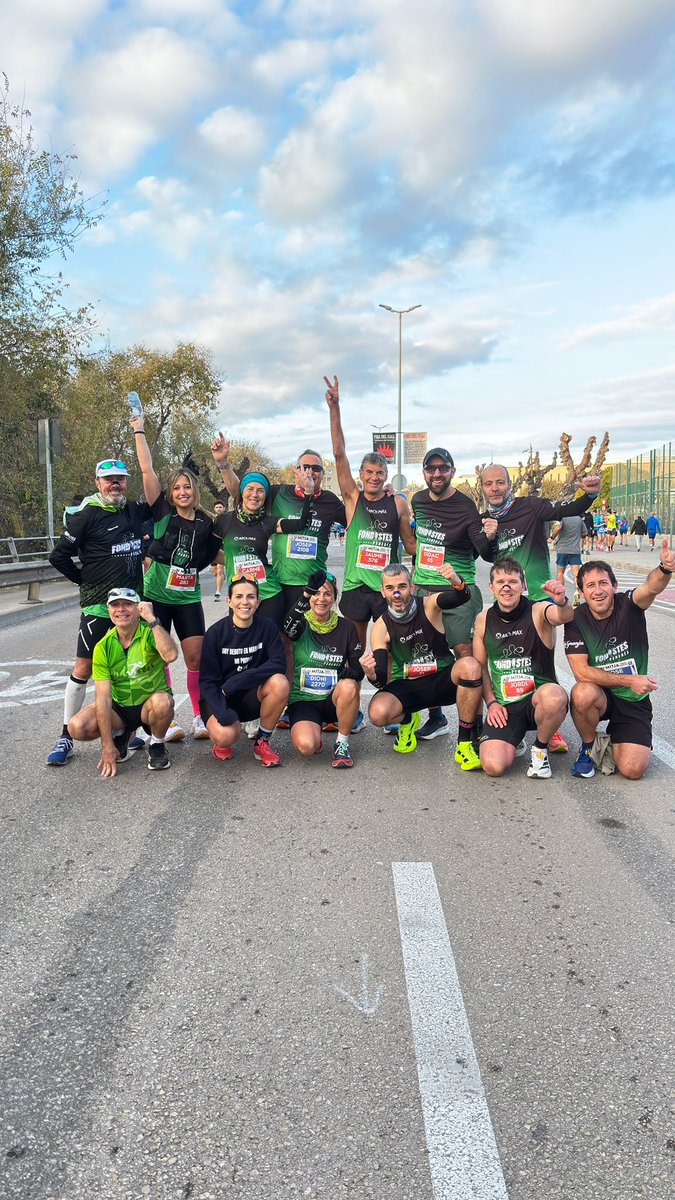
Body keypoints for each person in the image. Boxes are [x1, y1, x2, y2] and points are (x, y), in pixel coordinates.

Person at [480, 463, 601, 754]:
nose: (495, 488)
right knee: (510, 660)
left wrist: (590, 496)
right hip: (508, 599)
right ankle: (514, 721)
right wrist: (490, 537)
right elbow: (484, 555)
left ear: (509, 483)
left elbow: (567, 510)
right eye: (489, 484)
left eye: (500, 482)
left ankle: (552, 725)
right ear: (482, 488)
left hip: (538, 596)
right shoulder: (484, 518)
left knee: (543, 659)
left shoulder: (531, 506)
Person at [47, 457, 149, 765]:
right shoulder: (87, 515)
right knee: (84, 668)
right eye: (109, 480)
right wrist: (84, 580)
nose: (115, 484)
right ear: (98, 483)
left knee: (129, 668)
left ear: (127, 483)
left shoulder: (134, 510)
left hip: (132, 608)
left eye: (120, 479)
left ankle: (125, 731)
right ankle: (65, 735)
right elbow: (58, 556)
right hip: (98, 607)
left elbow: (159, 505)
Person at [131, 416, 224, 742]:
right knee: (158, 654)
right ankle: (166, 719)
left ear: (194, 491)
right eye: (177, 488)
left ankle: (199, 716)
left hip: (187, 599)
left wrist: (252, 563)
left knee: (196, 657)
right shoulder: (162, 513)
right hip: (156, 595)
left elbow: (220, 555)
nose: (182, 491)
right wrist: (139, 429)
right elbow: (147, 471)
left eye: (187, 487)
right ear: (169, 493)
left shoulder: (205, 522)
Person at [563, 540, 675, 779]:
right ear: (581, 592)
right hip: (601, 695)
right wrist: (629, 681)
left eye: (603, 583)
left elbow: (650, 587)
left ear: (615, 585)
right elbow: (581, 672)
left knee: (632, 770)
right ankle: (588, 747)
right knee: (582, 692)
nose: (598, 590)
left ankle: (617, 736)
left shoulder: (629, 605)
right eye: (590, 585)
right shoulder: (576, 619)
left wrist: (665, 568)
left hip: (633, 700)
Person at [325, 373, 416, 661]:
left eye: (380, 474)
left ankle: (395, 702)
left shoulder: (399, 503)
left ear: (386, 476)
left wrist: (445, 546)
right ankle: (353, 704)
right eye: (369, 473)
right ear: (361, 476)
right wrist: (335, 408)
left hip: (386, 588)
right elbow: (339, 454)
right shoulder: (353, 499)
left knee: (392, 649)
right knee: (354, 651)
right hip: (355, 587)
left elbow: (411, 546)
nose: (374, 478)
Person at [359, 563, 484, 770]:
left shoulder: (430, 605)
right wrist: (370, 673)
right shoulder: (380, 627)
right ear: (382, 591)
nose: (397, 593)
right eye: (390, 588)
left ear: (412, 586)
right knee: (378, 713)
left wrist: (455, 580)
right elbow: (381, 679)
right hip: (410, 687)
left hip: (443, 679)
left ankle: (464, 743)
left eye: (402, 586)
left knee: (470, 665)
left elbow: (462, 597)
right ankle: (408, 719)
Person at [410, 446, 497, 740]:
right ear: (424, 472)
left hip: (458, 589)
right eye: (431, 468)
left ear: (452, 471)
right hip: (423, 589)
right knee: (427, 654)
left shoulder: (465, 507)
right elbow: (420, 542)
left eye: (442, 468)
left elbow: (484, 552)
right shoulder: (418, 501)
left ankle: (477, 722)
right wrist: (413, 578)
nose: (436, 474)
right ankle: (436, 718)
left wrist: (491, 537)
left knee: (466, 654)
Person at [473, 557, 574, 779]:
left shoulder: (539, 610)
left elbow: (563, 616)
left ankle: (540, 748)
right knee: (493, 766)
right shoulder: (483, 619)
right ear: (491, 587)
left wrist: (563, 601)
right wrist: (491, 703)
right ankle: (514, 737)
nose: (506, 587)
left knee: (555, 696)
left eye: (513, 581)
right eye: (500, 582)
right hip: (506, 708)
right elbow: (480, 668)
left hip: (539, 700)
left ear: (524, 585)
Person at [67, 588, 178, 775]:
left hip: (148, 705)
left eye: (128, 604)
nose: (121, 610)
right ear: (109, 611)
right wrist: (107, 746)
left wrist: (152, 619)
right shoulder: (103, 646)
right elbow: (103, 699)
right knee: (77, 727)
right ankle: (122, 733)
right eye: (115, 605)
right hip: (120, 709)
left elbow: (171, 655)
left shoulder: (150, 631)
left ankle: (157, 745)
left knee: (163, 703)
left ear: (138, 609)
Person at [198, 574, 289, 767]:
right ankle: (223, 741)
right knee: (226, 735)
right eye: (238, 597)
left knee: (280, 683)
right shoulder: (215, 633)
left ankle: (262, 741)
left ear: (258, 602)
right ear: (229, 601)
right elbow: (207, 682)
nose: (244, 602)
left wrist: (236, 682)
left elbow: (278, 663)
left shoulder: (268, 627)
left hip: (248, 695)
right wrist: (222, 712)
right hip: (220, 696)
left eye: (250, 597)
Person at [212, 458, 315, 627]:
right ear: (242, 492)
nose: (254, 494)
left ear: (265, 496)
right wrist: (232, 559)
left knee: (270, 644)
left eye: (260, 491)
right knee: (242, 642)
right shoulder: (224, 520)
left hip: (269, 593)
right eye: (250, 489)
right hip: (239, 594)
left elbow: (302, 524)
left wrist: (309, 492)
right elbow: (208, 551)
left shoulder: (268, 522)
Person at [283, 570, 363, 768]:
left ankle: (342, 744)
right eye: (316, 593)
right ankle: (313, 731)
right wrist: (305, 594)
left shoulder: (347, 627)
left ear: (334, 598)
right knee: (306, 747)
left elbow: (357, 670)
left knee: (350, 686)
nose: (321, 599)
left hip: (332, 700)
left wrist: (360, 671)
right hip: (304, 700)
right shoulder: (301, 622)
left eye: (327, 594)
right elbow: (287, 628)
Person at [549, 514, 584, 605]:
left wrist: (552, 538)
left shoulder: (563, 518)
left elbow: (558, 527)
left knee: (560, 573)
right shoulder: (579, 519)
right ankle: (577, 592)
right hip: (575, 549)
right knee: (576, 574)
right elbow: (584, 533)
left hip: (563, 549)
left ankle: (560, 595)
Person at [212, 500, 226, 600]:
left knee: (220, 570)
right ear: (214, 509)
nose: (219, 509)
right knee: (215, 572)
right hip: (214, 546)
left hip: (224, 546)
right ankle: (222, 577)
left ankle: (218, 593)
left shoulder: (227, 519)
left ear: (224, 508)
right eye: (217, 507)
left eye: (220, 507)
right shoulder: (212, 519)